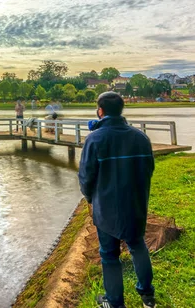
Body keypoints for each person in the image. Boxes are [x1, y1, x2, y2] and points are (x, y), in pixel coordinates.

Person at [78, 92, 156, 308]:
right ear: (121, 110)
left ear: (100, 111)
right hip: (136, 205)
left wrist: (89, 198)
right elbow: (149, 170)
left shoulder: (94, 139)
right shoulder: (141, 138)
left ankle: (114, 302)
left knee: (109, 255)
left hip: (106, 209)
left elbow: (85, 177)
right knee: (138, 245)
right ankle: (147, 295)